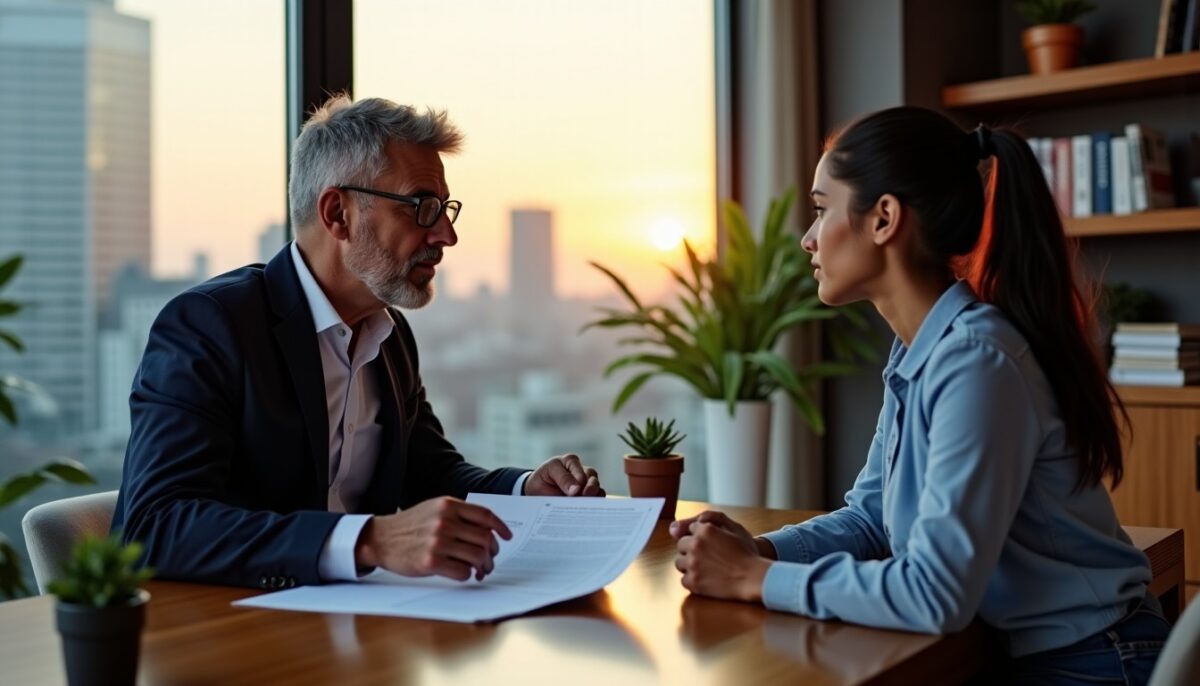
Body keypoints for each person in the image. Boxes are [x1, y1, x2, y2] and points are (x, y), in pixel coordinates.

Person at [670, 106, 1168, 684]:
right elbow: (872, 520)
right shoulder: (920, 351)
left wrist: (753, 579)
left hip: (1094, 664)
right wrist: (760, 551)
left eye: (821, 208)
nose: (807, 239)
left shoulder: (978, 361)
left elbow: (936, 593)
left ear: (884, 219)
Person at [112, 95, 604, 590]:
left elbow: (429, 472)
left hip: (355, 629)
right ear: (338, 214)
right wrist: (370, 540)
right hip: (229, 635)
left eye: (445, 209)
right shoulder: (210, 325)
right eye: (422, 208)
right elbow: (154, 526)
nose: (447, 235)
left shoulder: (388, 334)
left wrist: (525, 490)